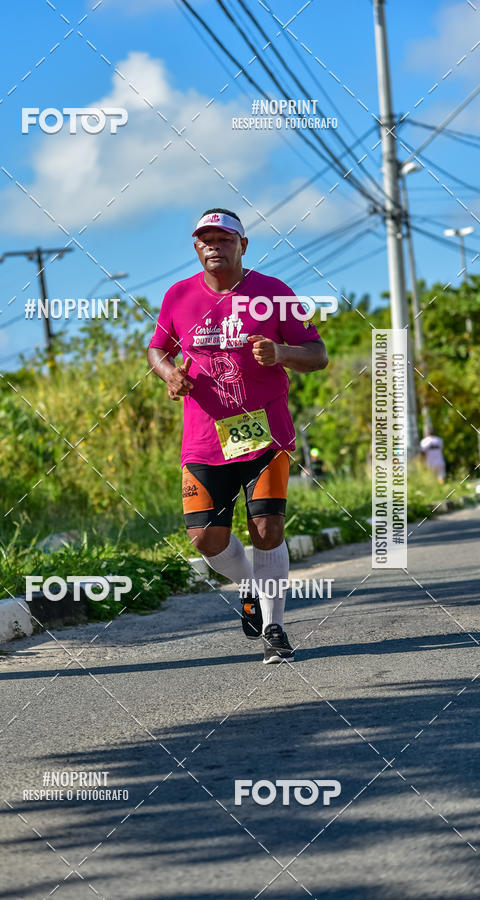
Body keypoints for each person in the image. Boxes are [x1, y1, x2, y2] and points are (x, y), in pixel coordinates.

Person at [147, 208, 328, 663]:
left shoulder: (274, 293)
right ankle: (248, 584)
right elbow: (156, 347)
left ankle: (275, 629)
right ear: (195, 247)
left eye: (224, 238)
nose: (214, 245)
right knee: (205, 539)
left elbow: (318, 353)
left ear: (243, 245)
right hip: (205, 441)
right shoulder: (179, 296)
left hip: (265, 436)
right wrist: (169, 373)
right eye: (205, 239)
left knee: (266, 528)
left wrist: (282, 351)